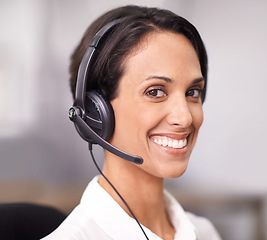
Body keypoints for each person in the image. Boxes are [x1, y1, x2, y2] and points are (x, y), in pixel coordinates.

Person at [42, 5, 221, 240]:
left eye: (193, 92)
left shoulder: (204, 233)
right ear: (96, 111)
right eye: (155, 92)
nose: (185, 117)